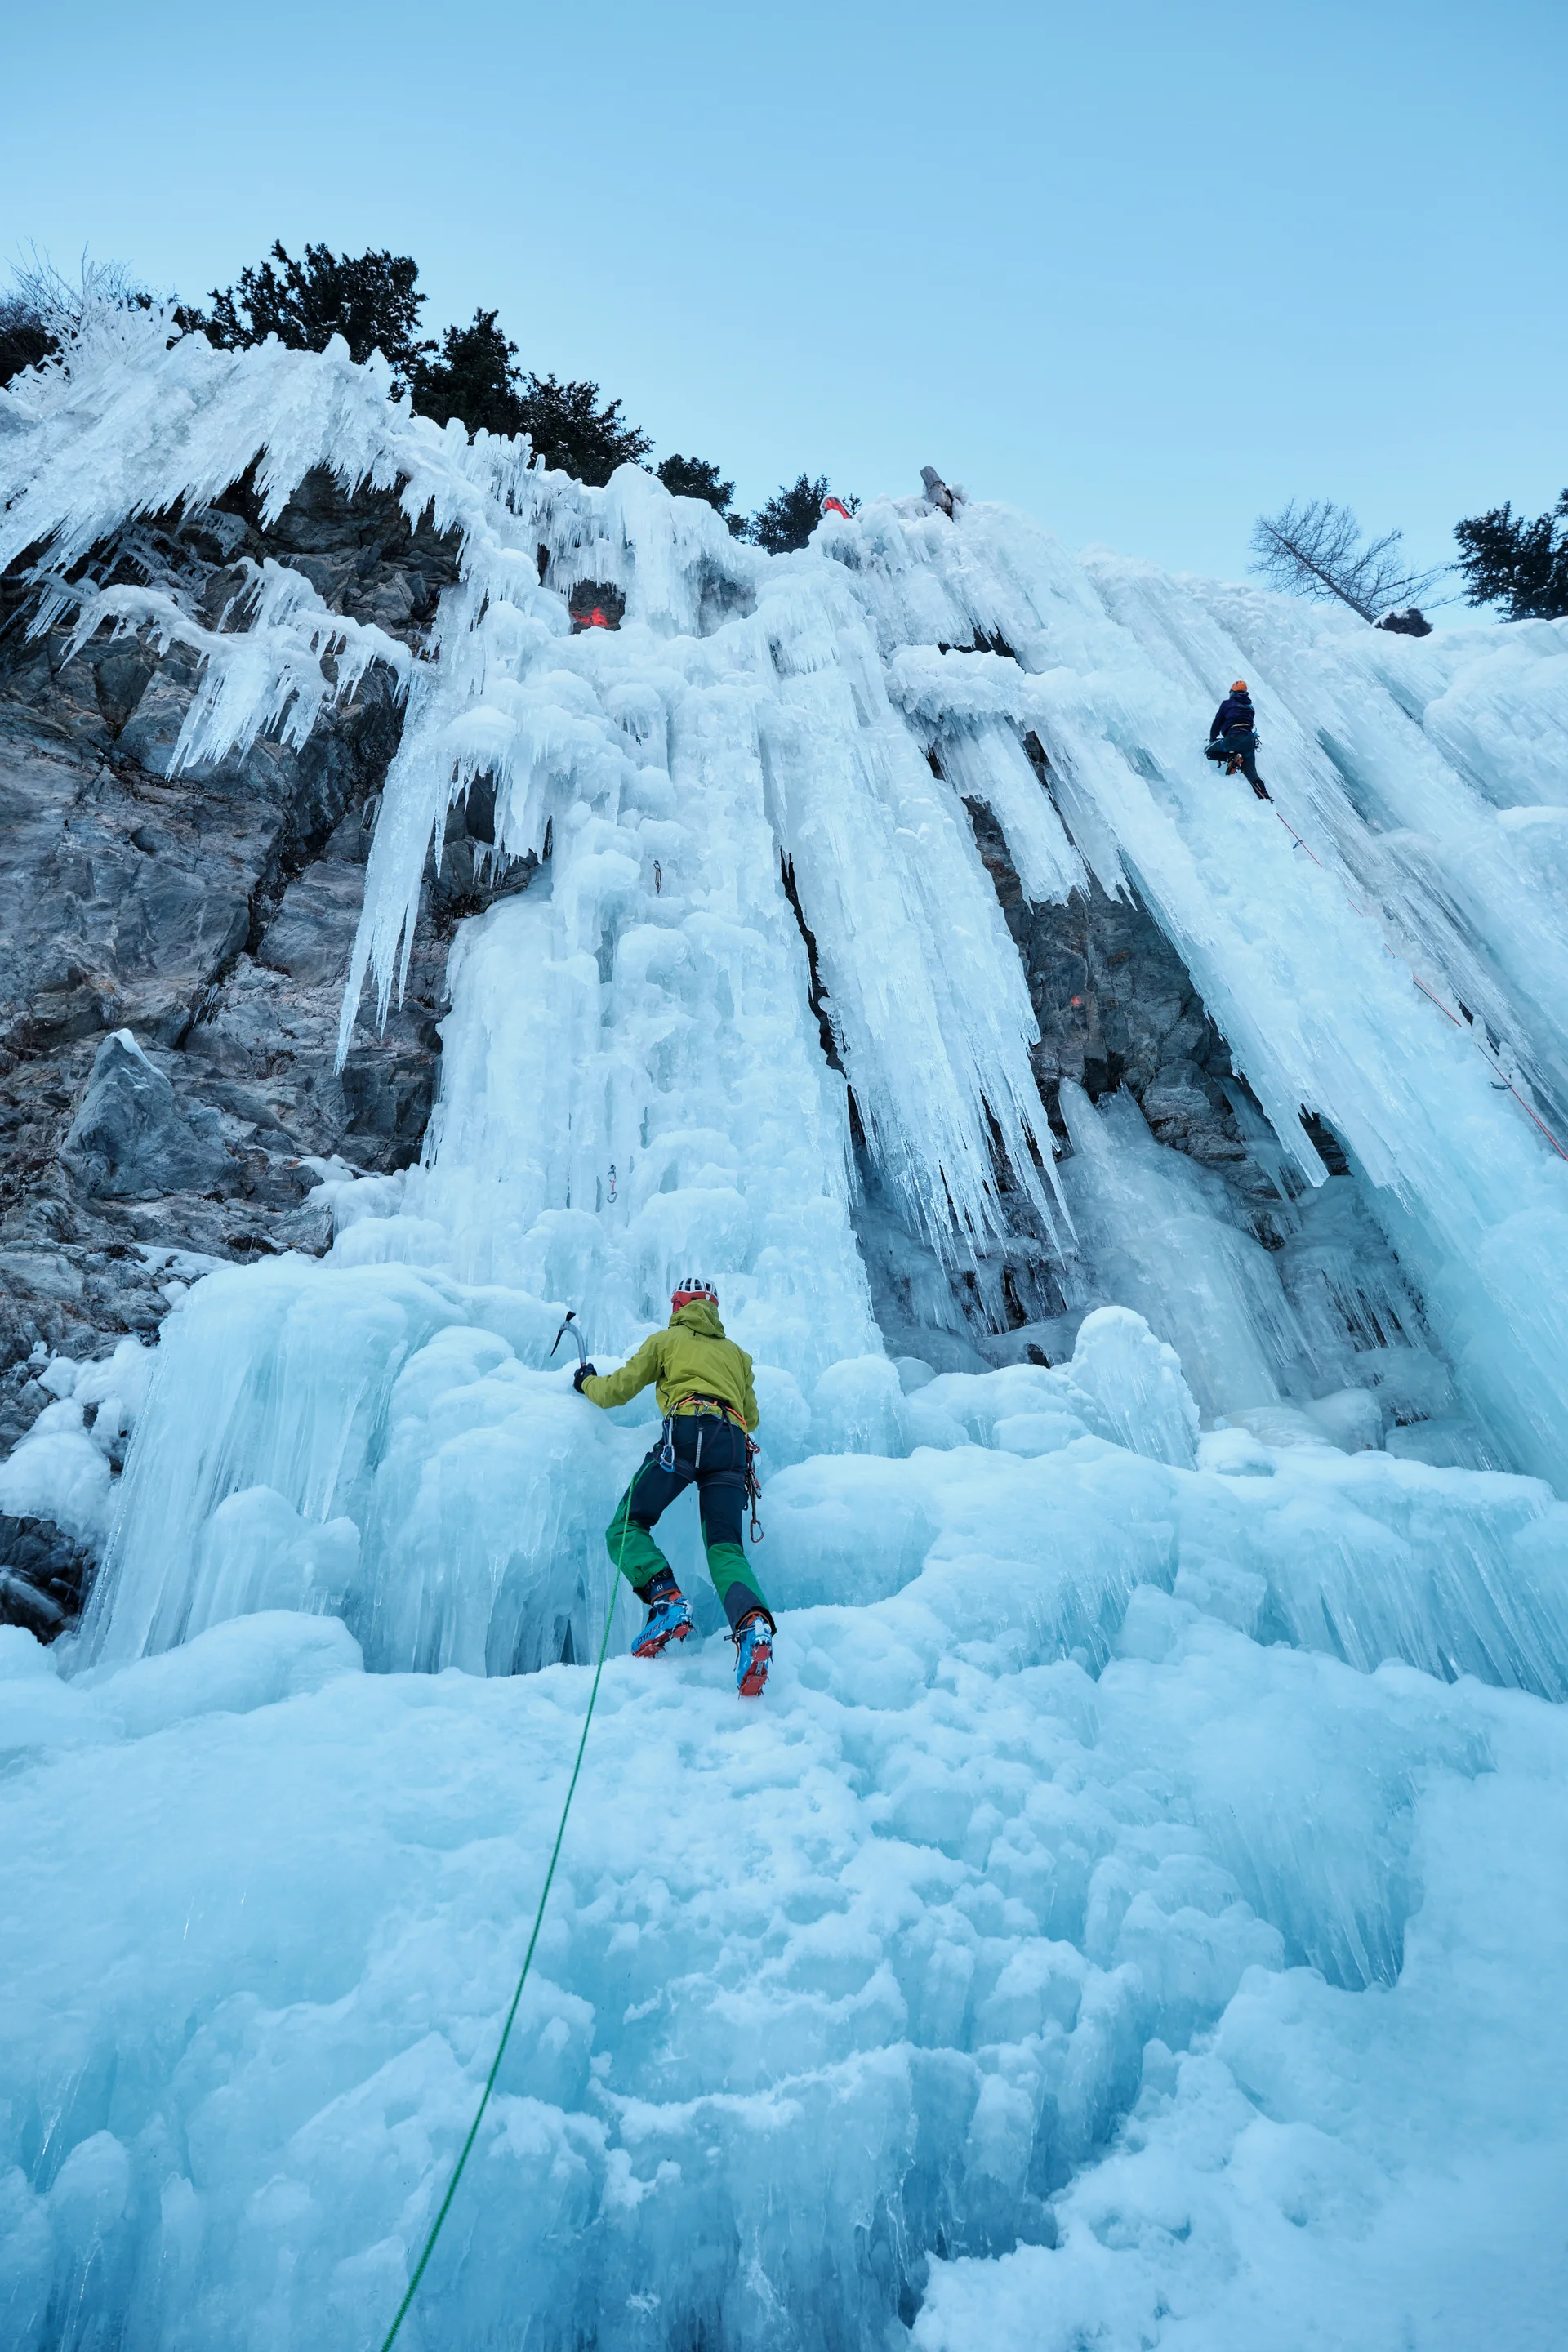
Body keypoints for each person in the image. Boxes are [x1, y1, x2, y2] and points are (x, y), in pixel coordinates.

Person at [574, 1278, 775, 1696]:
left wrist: (586, 1382)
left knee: (626, 1526)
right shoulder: (738, 1355)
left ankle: (665, 1598)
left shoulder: (666, 1340)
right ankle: (753, 1626)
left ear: (680, 1304)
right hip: (732, 1446)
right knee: (725, 1549)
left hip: (686, 1433)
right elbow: (750, 1416)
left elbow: (618, 1390)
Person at [1205, 679, 1271, 800]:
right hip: (1249, 742)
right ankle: (1266, 797)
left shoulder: (1227, 704)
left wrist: (1212, 739)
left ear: (1232, 693)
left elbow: (1217, 724)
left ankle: (1231, 757)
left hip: (1233, 738)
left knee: (1208, 751)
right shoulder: (1250, 708)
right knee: (1251, 773)